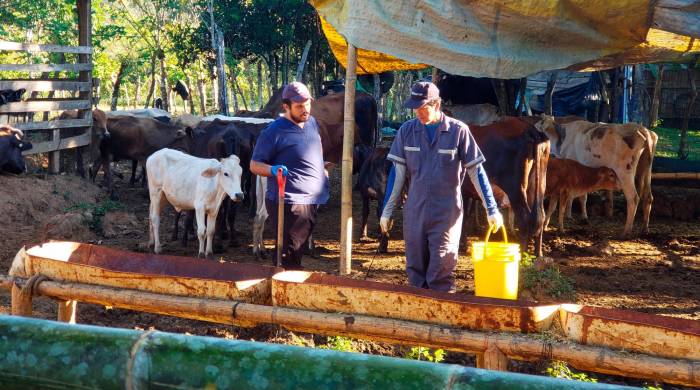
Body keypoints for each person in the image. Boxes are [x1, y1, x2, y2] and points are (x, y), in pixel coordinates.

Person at [379, 81, 503, 292]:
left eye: (422, 107)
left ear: (436, 104)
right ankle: (417, 316)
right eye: (414, 107)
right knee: (415, 270)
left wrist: (491, 208)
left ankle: (442, 317)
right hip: (415, 211)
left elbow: (476, 171)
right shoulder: (406, 131)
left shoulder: (458, 131)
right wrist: (387, 211)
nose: (417, 112)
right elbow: (397, 174)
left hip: (446, 213)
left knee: (441, 268)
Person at [250, 82, 329, 270]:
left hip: (311, 200)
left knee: (298, 249)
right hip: (287, 201)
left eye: (307, 103)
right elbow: (254, 165)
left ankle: (288, 285)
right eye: (299, 106)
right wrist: (273, 170)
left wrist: (320, 168)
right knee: (288, 253)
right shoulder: (273, 132)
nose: (305, 109)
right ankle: (283, 289)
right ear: (286, 106)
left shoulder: (312, 123)